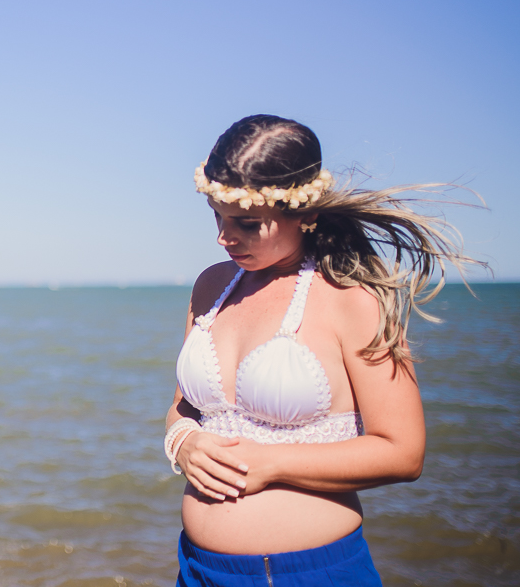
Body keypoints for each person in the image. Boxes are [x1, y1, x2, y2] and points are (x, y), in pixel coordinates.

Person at [165, 114, 481, 587]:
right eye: (217, 216)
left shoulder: (352, 298)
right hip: (196, 570)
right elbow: (181, 409)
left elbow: (403, 452)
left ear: (305, 213)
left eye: (247, 223)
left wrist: (271, 463)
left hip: (308, 573)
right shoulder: (212, 285)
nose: (224, 237)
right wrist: (183, 443)